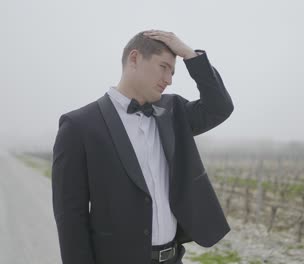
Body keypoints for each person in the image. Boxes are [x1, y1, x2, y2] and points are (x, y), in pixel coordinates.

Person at [51, 29, 234, 264]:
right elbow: (70, 218)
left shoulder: (174, 112)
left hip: (172, 258)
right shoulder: (78, 126)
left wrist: (190, 55)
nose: (169, 80)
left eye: (172, 72)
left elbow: (220, 107)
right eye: (164, 67)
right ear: (135, 59)